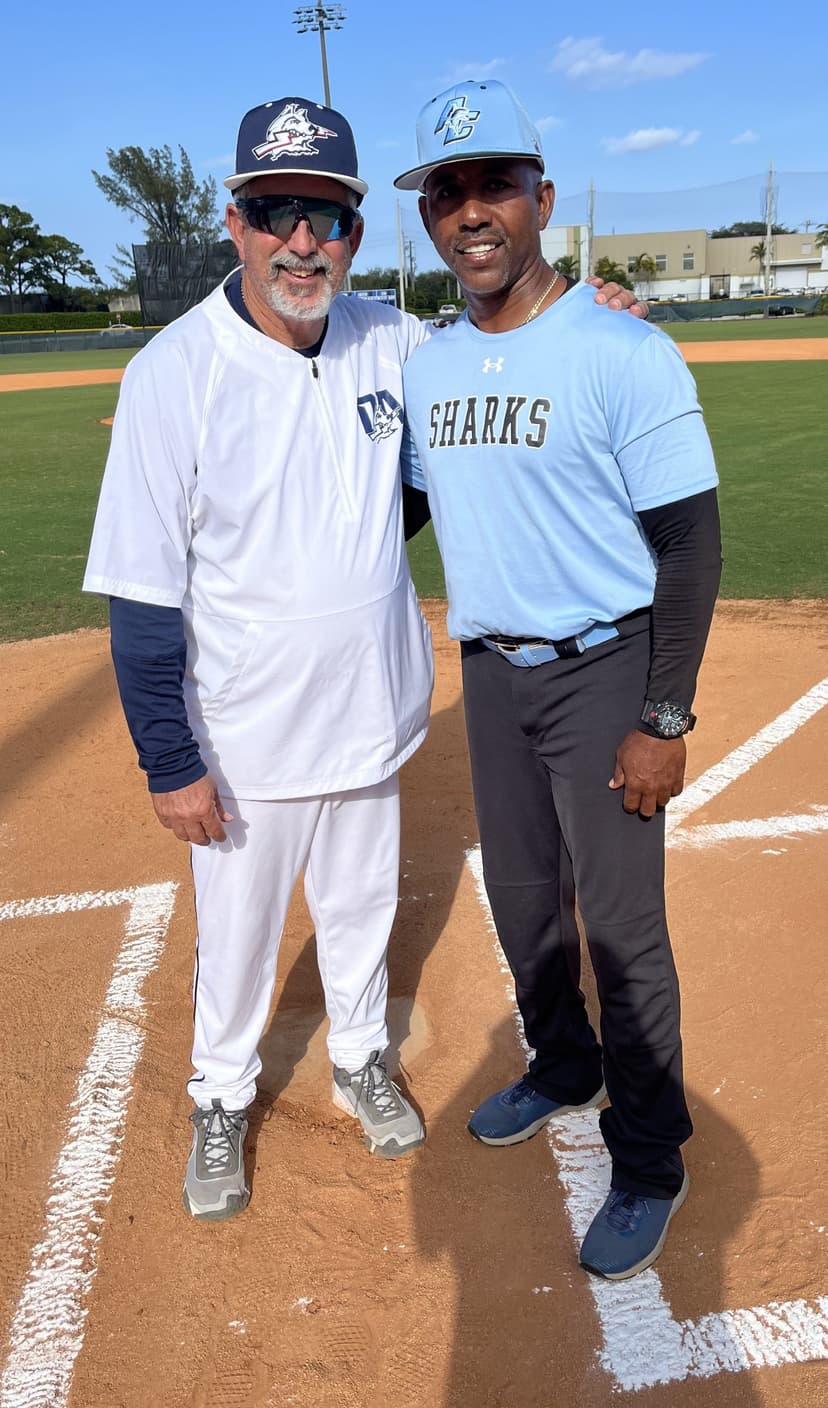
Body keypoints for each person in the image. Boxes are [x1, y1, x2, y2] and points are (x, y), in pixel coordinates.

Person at [83, 95, 645, 1224]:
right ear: (236, 222)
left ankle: (358, 1056)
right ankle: (220, 1094)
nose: (302, 241)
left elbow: (487, 379)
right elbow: (143, 598)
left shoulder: (392, 340)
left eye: (327, 216)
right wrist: (169, 761)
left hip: (371, 713)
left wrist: (591, 313)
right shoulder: (172, 373)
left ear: (352, 230)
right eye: (275, 212)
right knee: (238, 939)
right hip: (242, 737)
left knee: (359, 912)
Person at [395, 80, 722, 1280]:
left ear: (539, 197)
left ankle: (650, 1157)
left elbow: (691, 544)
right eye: (448, 192)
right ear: (429, 217)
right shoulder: (430, 367)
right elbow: (398, 513)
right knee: (525, 899)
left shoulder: (622, 348)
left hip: (606, 669)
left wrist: (663, 716)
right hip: (493, 673)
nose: (472, 211)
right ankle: (564, 1065)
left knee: (624, 929)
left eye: (494, 184)